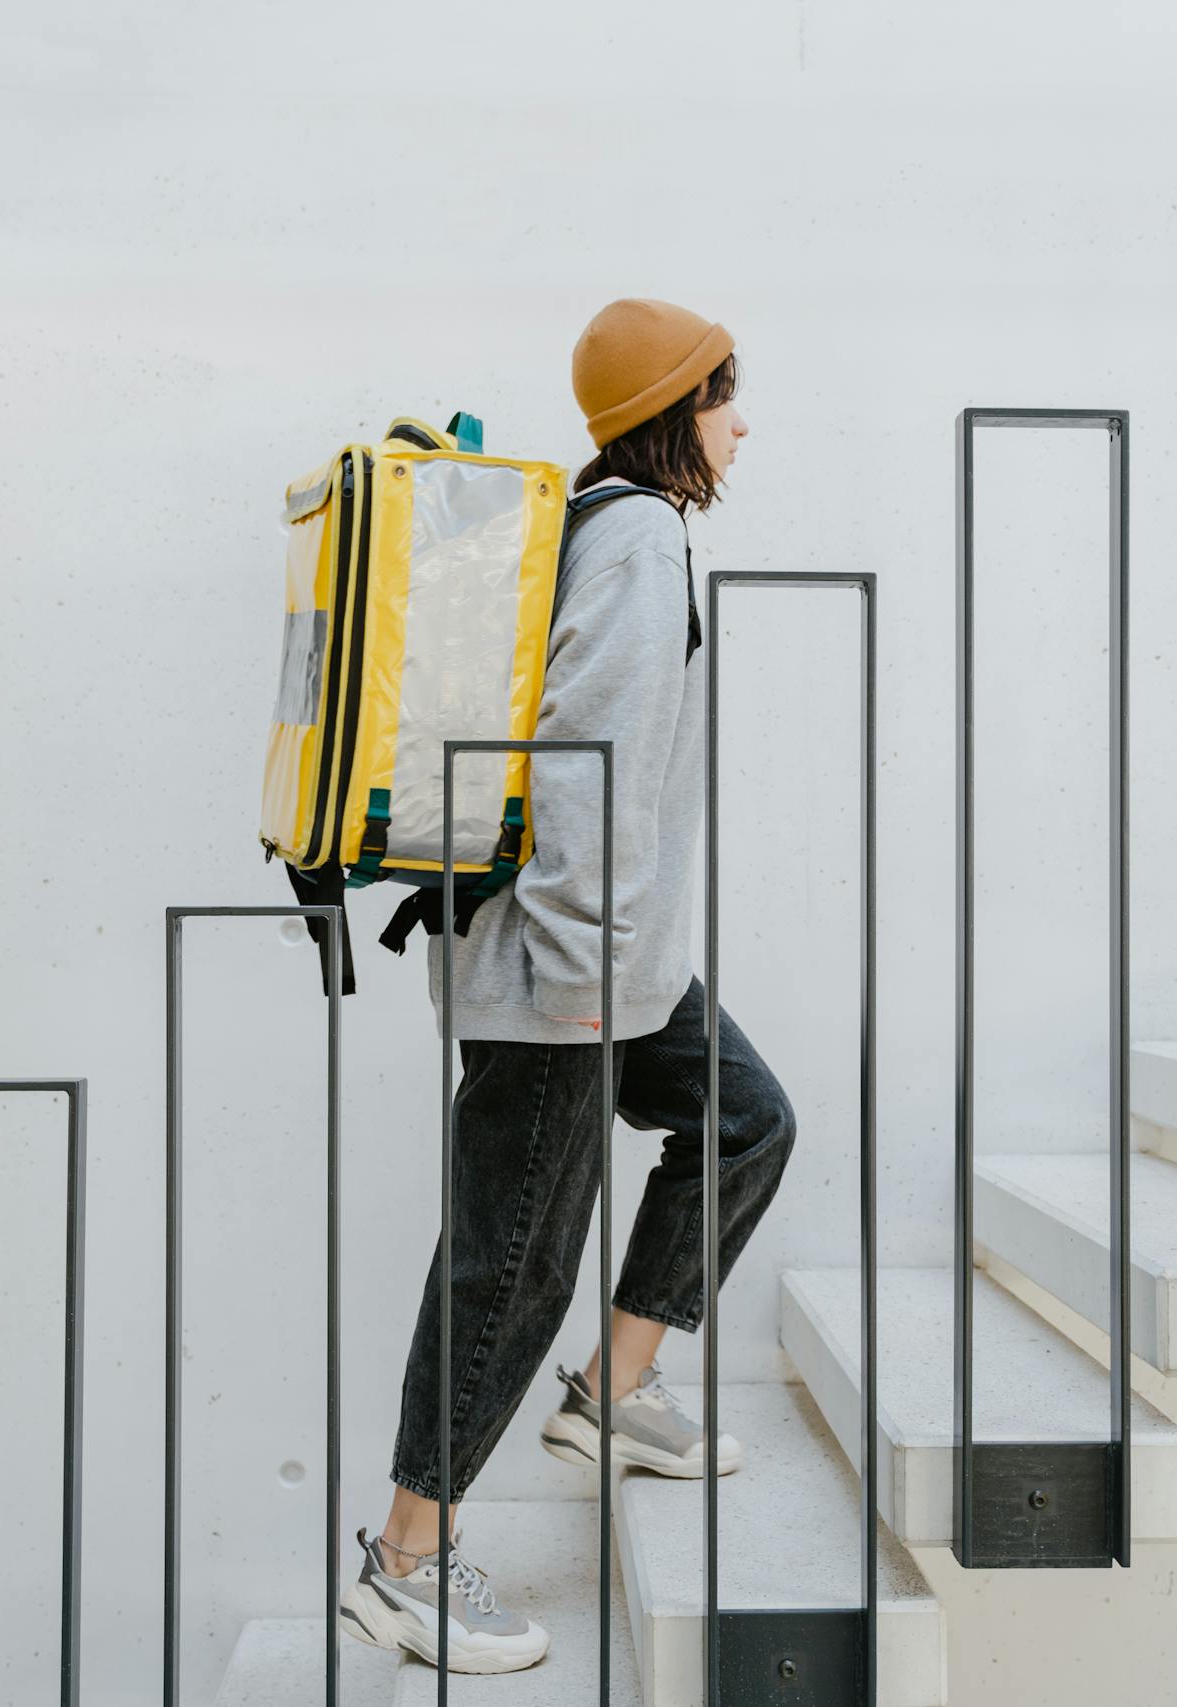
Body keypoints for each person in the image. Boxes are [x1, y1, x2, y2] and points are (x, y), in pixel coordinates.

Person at [337, 299, 797, 1675]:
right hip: (568, 967)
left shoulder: (594, 527)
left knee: (742, 1118)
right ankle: (404, 1563)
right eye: (725, 398)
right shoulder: (643, 542)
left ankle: (615, 1389)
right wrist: (588, 975)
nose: (740, 423)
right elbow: (588, 767)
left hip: (613, 959)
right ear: (676, 411)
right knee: (513, 1259)